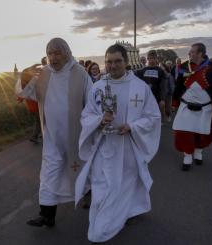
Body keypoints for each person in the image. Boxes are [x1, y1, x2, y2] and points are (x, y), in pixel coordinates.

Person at [75, 44, 161, 243]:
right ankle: (104, 220)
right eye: (108, 61)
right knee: (103, 185)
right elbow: (86, 115)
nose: (112, 66)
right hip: (104, 145)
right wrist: (98, 121)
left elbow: (153, 117)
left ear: (126, 62)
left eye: (117, 61)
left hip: (128, 147)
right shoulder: (97, 87)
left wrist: (132, 126)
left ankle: (123, 215)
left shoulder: (139, 87)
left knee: (125, 184)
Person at [15, 38, 92, 227]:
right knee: (49, 173)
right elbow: (23, 94)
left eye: (57, 53)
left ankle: (89, 194)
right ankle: (46, 215)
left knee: (82, 169)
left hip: (77, 135)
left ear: (67, 52)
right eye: (49, 53)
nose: (53, 58)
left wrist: (93, 126)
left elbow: (92, 103)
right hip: (52, 136)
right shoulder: (43, 75)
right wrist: (25, 76)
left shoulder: (80, 73)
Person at [172, 43, 212, 171]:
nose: (189, 54)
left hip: (205, 108)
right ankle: (187, 155)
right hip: (186, 106)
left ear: (200, 53)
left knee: (202, 132)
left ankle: (198, 152)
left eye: (192, 52)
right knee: (183, 132)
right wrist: (174, 102)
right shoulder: (184, 66)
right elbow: (179, 86)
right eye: (189, 52)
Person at [18, 57, 47, 144]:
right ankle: (35, 136)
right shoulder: (34, 80)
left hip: (31, 103)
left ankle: (41, 134)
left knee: (40, 119)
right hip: (37, 102)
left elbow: (22, 94)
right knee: (40, 119)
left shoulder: (25, 84)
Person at [136, 50, 167, 122]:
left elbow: (163, 86)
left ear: (156, 59)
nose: (151, 60)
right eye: (149, 58)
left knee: (156, 117)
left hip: (157, 97)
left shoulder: (160, 71)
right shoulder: (142, 70)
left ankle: (162, 118)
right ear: (147, 59)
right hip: (145, 97)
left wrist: (163, 99)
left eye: (153, 58)